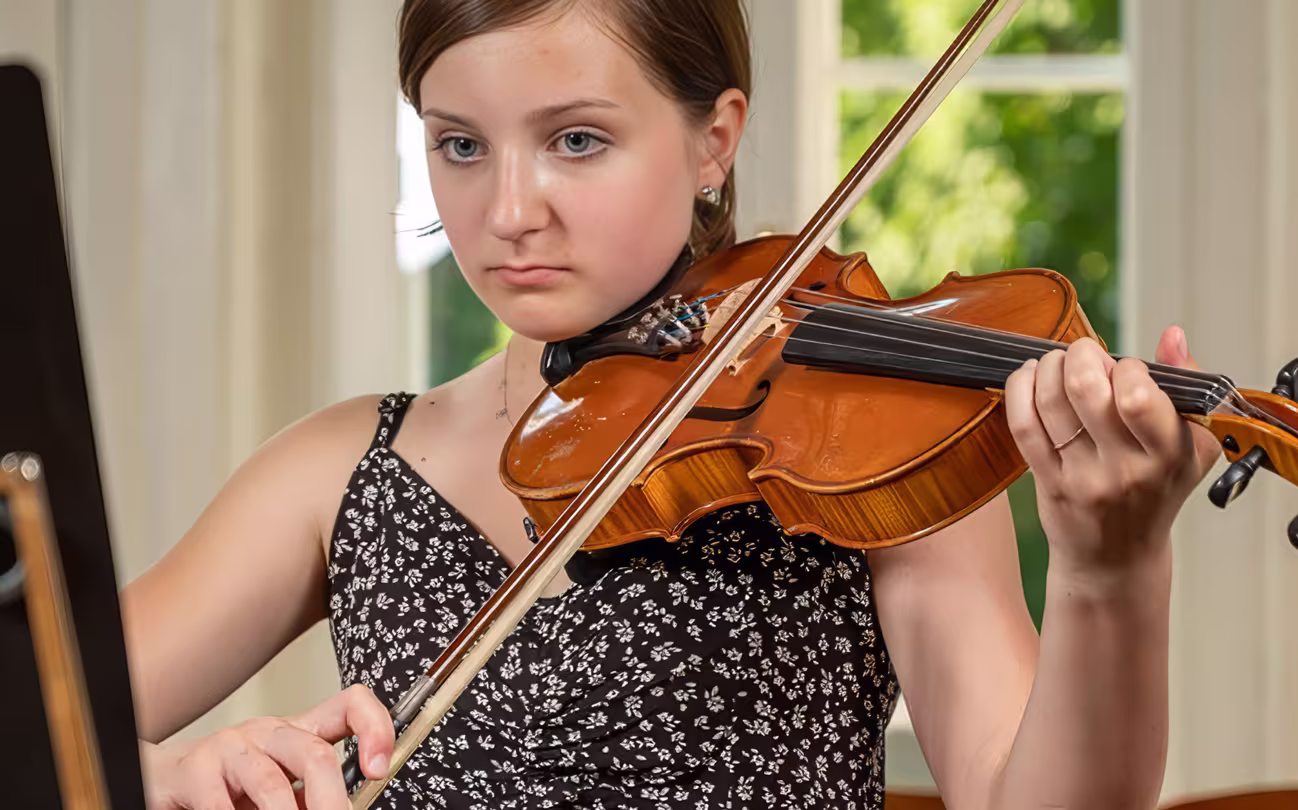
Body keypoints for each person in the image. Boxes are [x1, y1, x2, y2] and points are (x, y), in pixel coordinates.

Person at [125, 1, 1220, 808]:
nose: (508, 212)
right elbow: (48, 731)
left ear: (714, 140)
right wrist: (163, 779)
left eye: (576, 140)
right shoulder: (338, 471)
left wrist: (1111, 572)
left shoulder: (870, 434)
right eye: (461, 145)